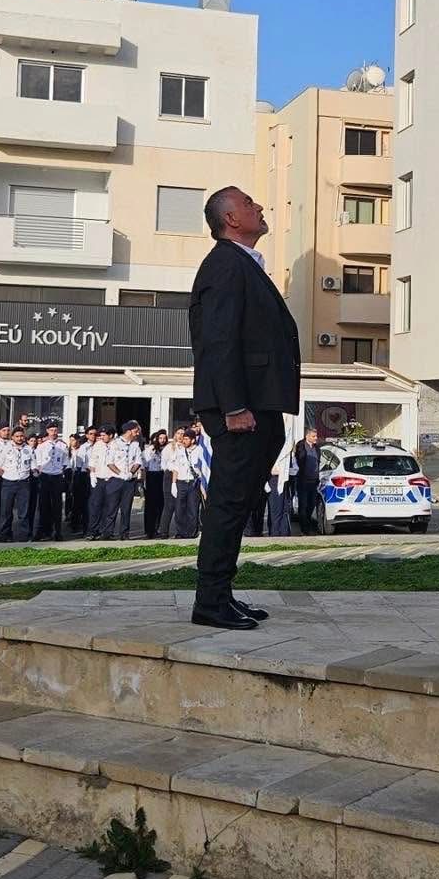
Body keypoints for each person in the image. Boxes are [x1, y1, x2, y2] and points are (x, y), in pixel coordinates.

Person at [189, 186, 301, 629]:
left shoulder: (244, 264)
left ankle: (221, 596)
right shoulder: (226, 264)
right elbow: (218, 341)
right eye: (250, 203)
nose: (260, 207)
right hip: (241, 408)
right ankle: (210, 601)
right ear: (231, 219)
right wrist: (233, 405)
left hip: (259, 404)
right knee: (228, 503)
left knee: (237, 505)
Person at [0, 427, 33, 542]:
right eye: (17, 436)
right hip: (8, 483)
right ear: (12, 437)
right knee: (6, 511)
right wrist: (7, 475)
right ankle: (4, 535)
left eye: (21, 436)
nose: (19, 438)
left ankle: (24, 536)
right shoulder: (6, 448)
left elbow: (34, 466)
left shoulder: (29, 449)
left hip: (23, 483)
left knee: (24, 511)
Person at [35, 425, 70, 540]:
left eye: (55, 430)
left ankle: (58, 532)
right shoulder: (42, 446)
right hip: (45, 476)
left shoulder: (63, 446)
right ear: (47, 431)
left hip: (57, 477)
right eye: (51, 430)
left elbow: (66, 462)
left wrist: (60, 471)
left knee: (57, 505)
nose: (54, 432)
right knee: (43, 505)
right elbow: (38, 463)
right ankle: (43, 531)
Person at [171, 427, 200, 539]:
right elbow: (175, 468)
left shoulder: (199, 450)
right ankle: (181, 532)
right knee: (179, 509)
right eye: (183, 439)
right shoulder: (179, 451)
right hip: (181, 481)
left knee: (192, 508)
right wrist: (174, 483)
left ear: (193, 440)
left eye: (187, 439)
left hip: (193, 482)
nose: (184, 441)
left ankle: (191, 532)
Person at [116, 422, 144, 539]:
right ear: (129, 431)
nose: (137, 434)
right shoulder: (115, 443)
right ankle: (107, 532)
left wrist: (130, 473)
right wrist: (120, 473)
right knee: (111, 507)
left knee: (126, 508)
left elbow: (138, 461)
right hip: (116, 479)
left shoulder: (135, 445)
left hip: (130, 480)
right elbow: (110, 462)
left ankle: (124, 533)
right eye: (135, 431)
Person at [293, 429, 321, 534]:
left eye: (316, 436)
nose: (316, 438)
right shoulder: (301, 446)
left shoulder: (317, 448)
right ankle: (304, 529)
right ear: (307, 436)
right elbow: (298, 460)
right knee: (303, 505)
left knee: (311, 504)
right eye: (313, 436)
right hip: (303, 481)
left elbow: (318, 462)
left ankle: (308, 524)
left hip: (314, 481)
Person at [142, 430, 167, 537]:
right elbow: (144, 467)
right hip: (152, 476)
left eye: (164, 438)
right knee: (151, 505)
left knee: (161, 504)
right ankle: (149, 529)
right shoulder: (150, 450)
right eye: (160, 438)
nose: (162, 440)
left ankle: (158, 528)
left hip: (163, 475)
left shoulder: (166, 449)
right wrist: (143, 481)